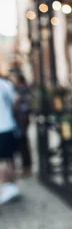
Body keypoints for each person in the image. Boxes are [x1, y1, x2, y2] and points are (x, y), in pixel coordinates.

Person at [0, 75, 21, 204]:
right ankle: (11, 186)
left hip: (2, 127)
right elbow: (16, 100)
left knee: (2, 161)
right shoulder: (5, 83)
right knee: (9, 159)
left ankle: (8, 186)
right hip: (9, 125)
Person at [9, 70, 32, 176]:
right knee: (21, 143)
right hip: (20, 119)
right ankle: (25, 166)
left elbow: (23, 105)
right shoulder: (19, 89)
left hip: (21, 120)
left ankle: (26, 167)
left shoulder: (21, 90)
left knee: (22, 143)